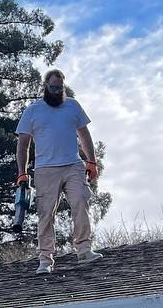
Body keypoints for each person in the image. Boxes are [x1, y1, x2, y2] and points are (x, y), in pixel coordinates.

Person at [16, 68, 103, 275]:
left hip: (73, 165)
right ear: (46, 86)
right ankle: (45, 259)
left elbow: (84, 135)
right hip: (45, 169)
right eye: (53, 88)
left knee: (81, 201)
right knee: (46, 214)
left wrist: (91, 161)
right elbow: (23, 144)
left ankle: (84, 250)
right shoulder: (33, 110)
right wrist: (22, 172)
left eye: (60, 88)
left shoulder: (72, 106)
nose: (56, 92)